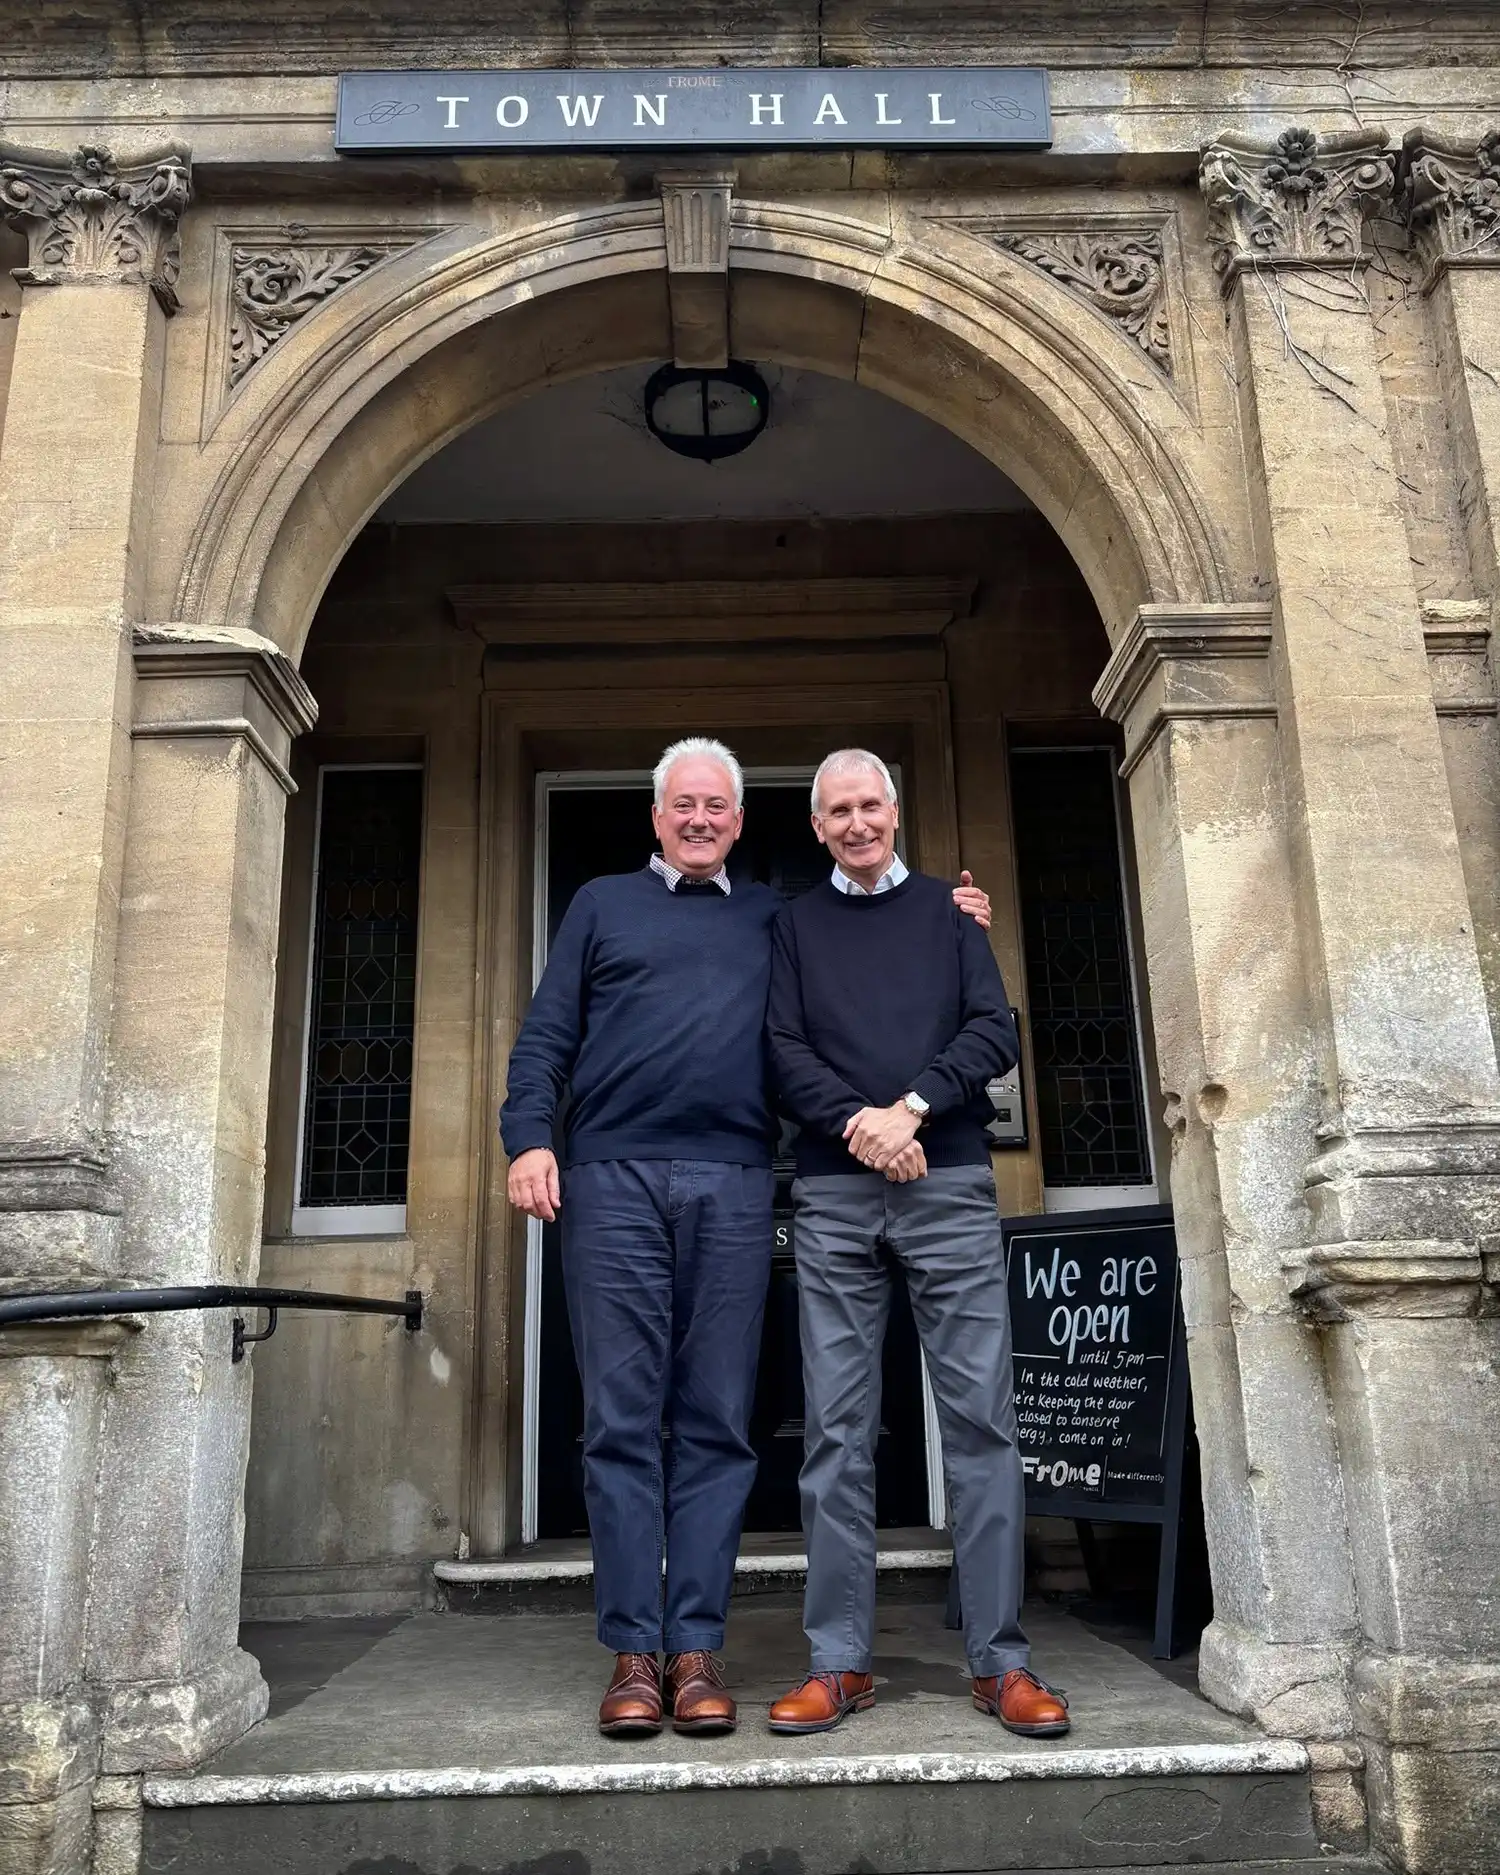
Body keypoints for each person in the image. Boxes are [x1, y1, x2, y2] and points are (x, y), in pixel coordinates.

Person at [500, 737, 992, 1740]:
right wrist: (528, 1139)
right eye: (682, 804)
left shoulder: (776, 915)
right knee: (623, 1421)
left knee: (722, 1423)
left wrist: (954, 918)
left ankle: (697, 1651)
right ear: (656, 816)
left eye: (716, 806)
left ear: (739, 819)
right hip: (610, 1180)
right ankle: (634, 1654)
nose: (698, 819)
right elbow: (546, 1033)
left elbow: (863, 933)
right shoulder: (599, 903)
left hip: (731, 1182)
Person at [765, 747, 1070, 1740]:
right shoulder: (795, 927)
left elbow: (993, 1033)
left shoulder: (950, 915)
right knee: (838, 1434)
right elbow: (780, 1051)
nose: (855, 822)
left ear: (894, 812)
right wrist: (862, 1125)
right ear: (817, 827)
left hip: (946, 1185)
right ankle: (839, 1662)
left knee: (980, 1424)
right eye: (837, 810)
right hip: (836, 1194)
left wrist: (909, 1110)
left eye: (869, 805)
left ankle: (1000, 1663)